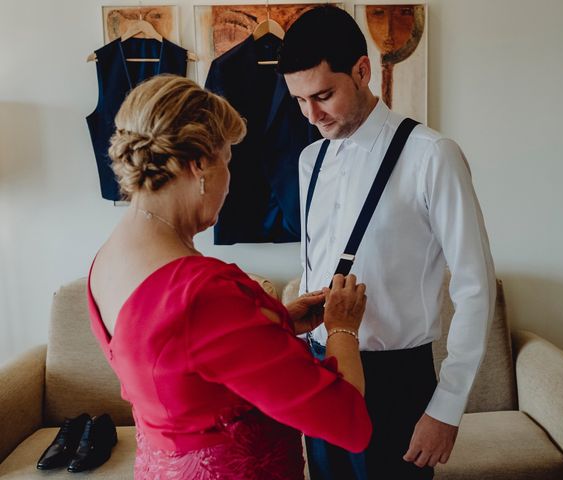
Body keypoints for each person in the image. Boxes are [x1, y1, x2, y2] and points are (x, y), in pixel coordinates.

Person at [87, 74, 372, 480]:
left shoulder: (109, 258)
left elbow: (176, 360)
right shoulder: (202, 292)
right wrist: (344, 327)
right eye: (228, 161)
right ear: (199, 163)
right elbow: (345, 417)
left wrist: (279, 323)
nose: (229, 181)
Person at [278, 6, 496, 480]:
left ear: (362, 71)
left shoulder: (433, 156)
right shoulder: (309, 159)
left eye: (323, 95)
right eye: (299, 101)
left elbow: (476, 286)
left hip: (396, 383)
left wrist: (447, 407)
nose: (312, 115)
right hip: (322, 374)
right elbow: (313, 264)